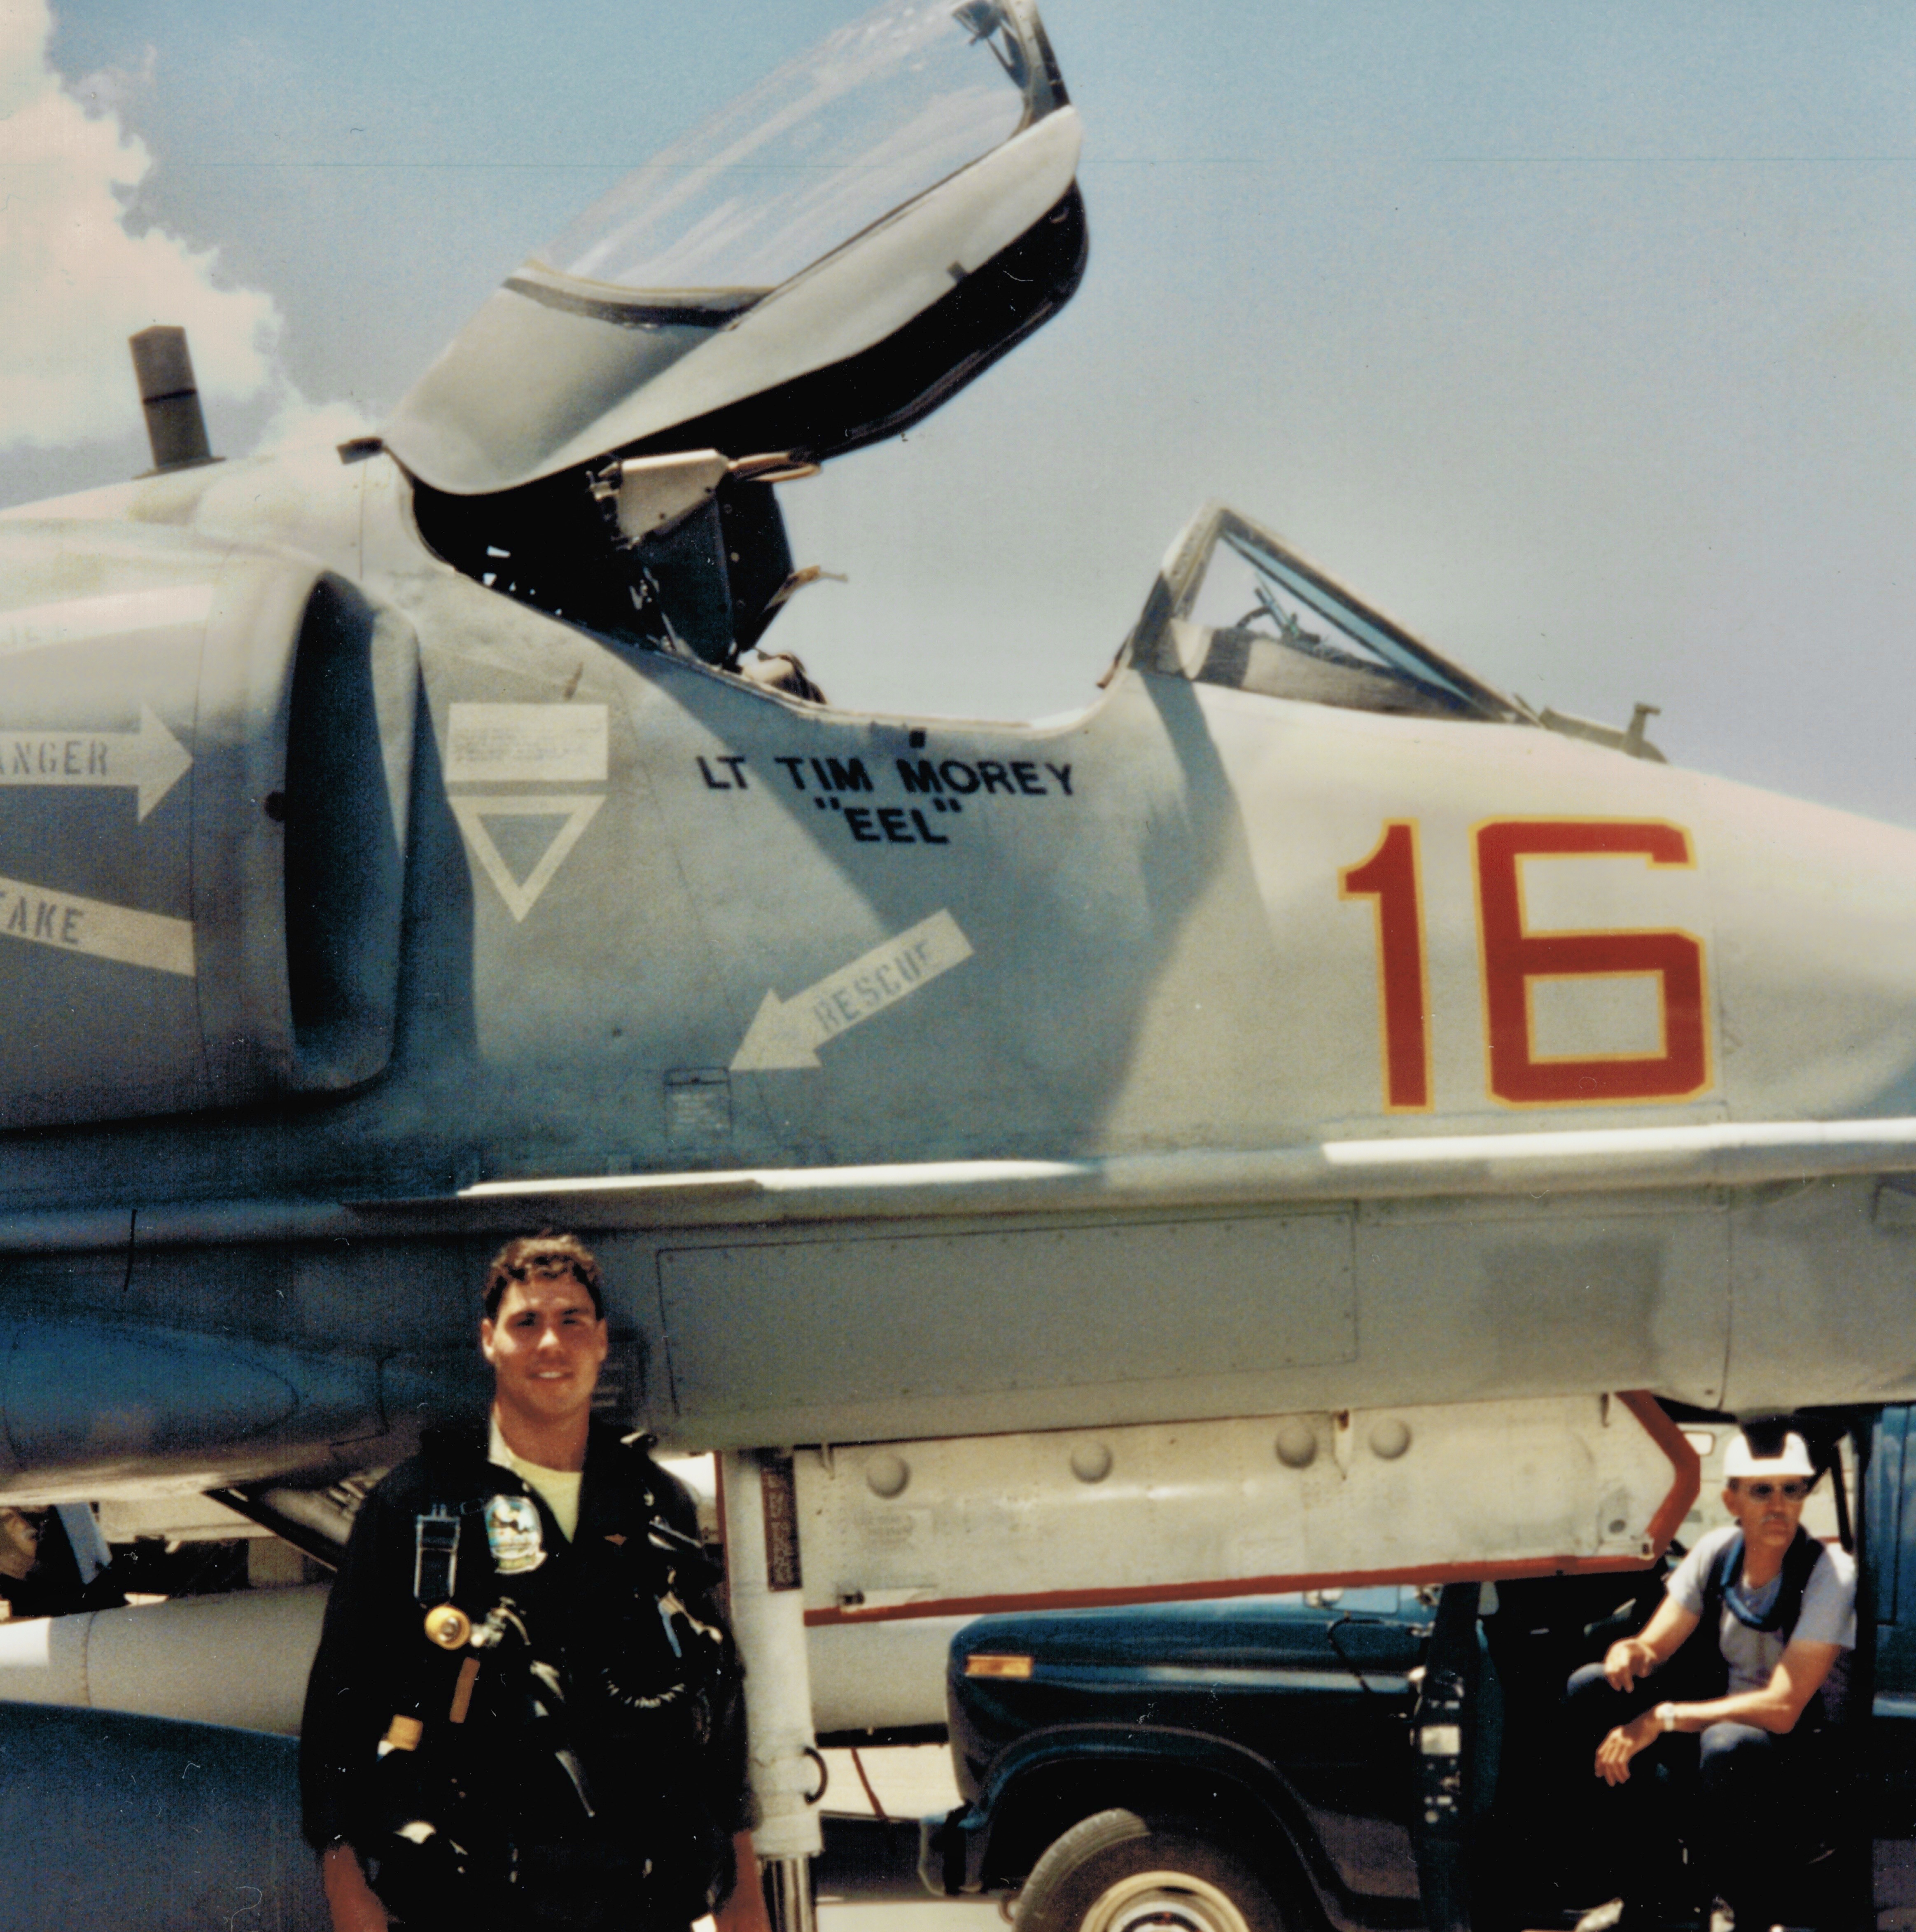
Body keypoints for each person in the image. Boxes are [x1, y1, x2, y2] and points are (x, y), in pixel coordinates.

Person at [301, 1232, 774, 1932]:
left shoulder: (653, 1503)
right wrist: (343, 1878)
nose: (551, 1344)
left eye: (571, 1321)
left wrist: (743, 1885)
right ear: (490, 1341)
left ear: (602, 1340)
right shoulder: (418, 1504)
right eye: (527, 1323)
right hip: (471, 1898)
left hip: (633, 1898)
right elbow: (342, 1697)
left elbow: (715, 1703)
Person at [1562, 1425, 1857, 1930]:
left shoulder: (1830, 1572)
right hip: (1726, 1730)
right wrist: (1632, 1651)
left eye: (1793, 1490)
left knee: (1725, 1744)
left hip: (1803, 1753)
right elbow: (1656, 1645)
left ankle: (1740, 1905)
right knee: (1592, 1687)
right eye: (1762, 1490)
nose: (1779, 1504)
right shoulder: (1718, 1552)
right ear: (1731, 1498)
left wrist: (1664, 1717)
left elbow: (1784, 1707)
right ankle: (1651, 1893)